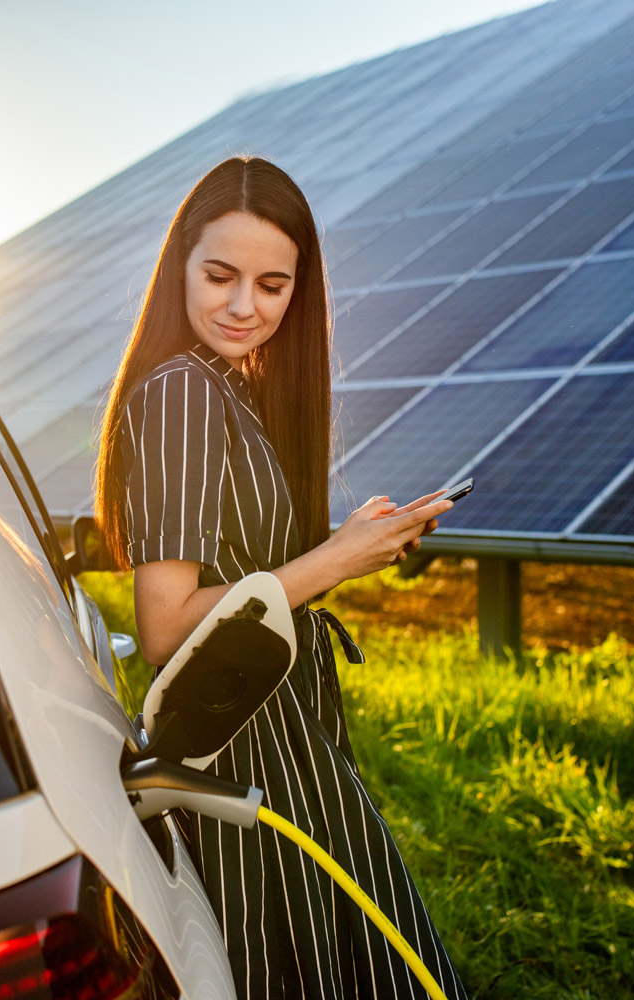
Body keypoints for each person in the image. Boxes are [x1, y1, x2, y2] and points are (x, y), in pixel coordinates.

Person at [95, 156, 467, 1000]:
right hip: (246, 745)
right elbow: (164, 624)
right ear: (178, 268)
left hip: (282, 726)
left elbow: (255, 577)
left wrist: (353, 543)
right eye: (220, 275)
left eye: (272, 285)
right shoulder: (181, 393)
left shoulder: (233, 391)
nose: (242, 306)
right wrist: (333, 561)